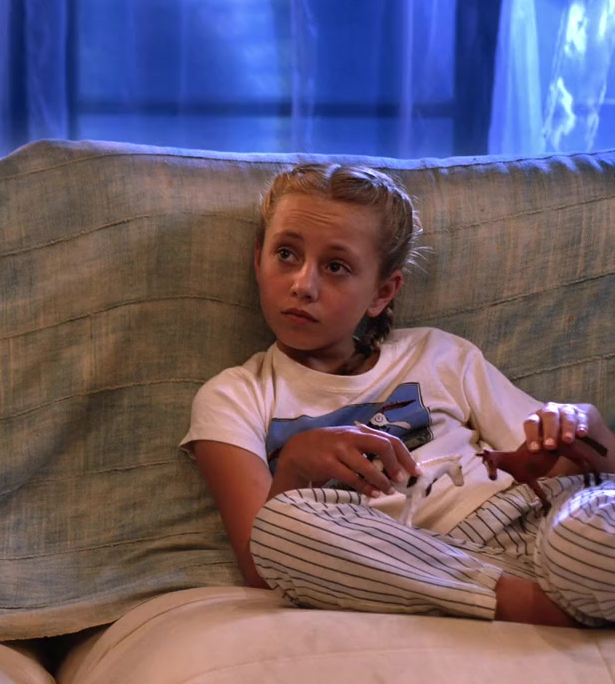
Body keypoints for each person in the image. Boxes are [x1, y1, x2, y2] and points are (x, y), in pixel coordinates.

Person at [183, 163, 615, 627]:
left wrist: (586, 427)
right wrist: (292, 466)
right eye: (286, 254)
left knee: (590, 535)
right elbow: (263, 564)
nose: (302, 285)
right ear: (258, 260)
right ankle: (537, 605)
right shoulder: (235, 397)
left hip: (538, 520)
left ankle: (564, 597)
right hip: (424, 561)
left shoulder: (439, 354)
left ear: (382, 292)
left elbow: (566, 462)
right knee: (283, 526)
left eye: (335, 267)